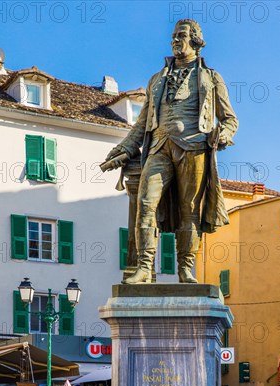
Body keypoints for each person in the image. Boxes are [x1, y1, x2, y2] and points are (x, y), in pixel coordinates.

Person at [103, 19, 238, 284]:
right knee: (145, 204)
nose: (175, 40)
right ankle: (143, 267)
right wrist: (123, 149)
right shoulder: (157, 79)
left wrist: (223, 134)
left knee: (190, 211)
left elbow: (230, 119)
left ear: (196, 41)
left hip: (194, 146)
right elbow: (142, 124)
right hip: (159, 147)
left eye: (182, 36)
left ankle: (185, 270)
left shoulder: (211, 78)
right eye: (173, 36)